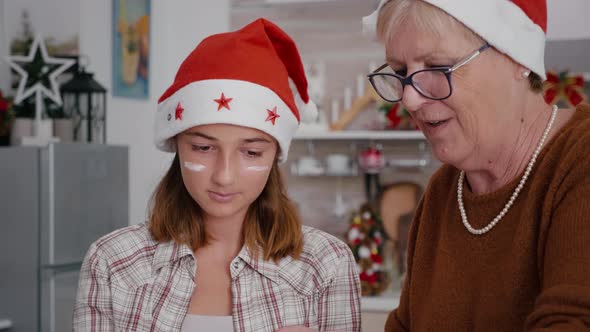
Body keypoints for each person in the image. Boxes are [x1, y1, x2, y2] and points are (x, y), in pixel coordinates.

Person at [73, 18, 361, 332]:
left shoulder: (326, 265)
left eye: (251, 152)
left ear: (275, 155)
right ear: (177, 145)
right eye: (202, 148)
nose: (224, 176)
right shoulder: (112, 262)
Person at [362, 0, 590, 331]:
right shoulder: (444, 191)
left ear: (516, 57)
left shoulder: (579, 161)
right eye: (400, 73)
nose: (410, 99)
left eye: (438, 67)